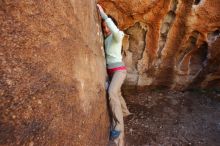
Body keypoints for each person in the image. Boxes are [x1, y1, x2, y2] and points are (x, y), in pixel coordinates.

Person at [97, 4, 131, 146]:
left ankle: (118, 128)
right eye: (103, 27)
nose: (105, 29)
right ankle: (125, 112)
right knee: (117, 93)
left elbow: (116, 32)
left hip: (119, 71)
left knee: (112, 92)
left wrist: (104, 15)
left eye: (107, 26)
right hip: (111, 71)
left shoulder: (118, 36)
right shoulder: (105, 40)